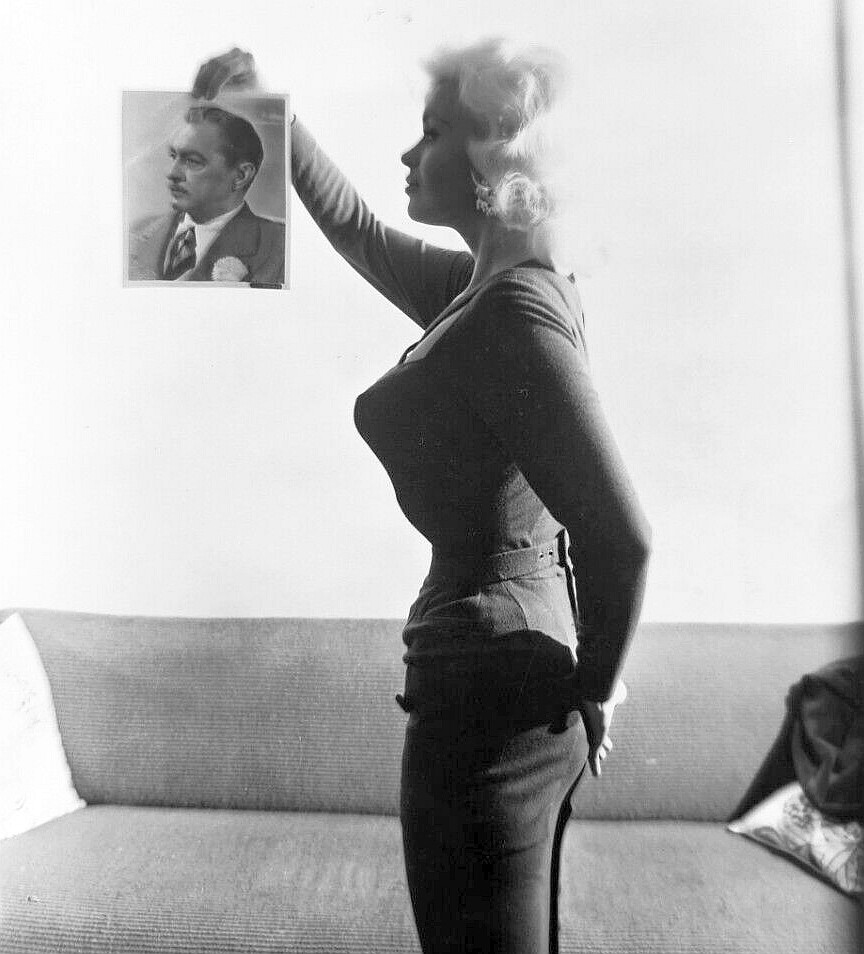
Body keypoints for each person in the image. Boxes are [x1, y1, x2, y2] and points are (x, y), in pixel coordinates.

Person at [194, 41, 650, 954]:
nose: (408, 154)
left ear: (494, 162)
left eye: (432, 133)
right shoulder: (483, 293)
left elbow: (621, 536)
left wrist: (599, 686)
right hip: (498, 687)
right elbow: (357, 229)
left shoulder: (512, 314)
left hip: (488, 710)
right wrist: (267, 114)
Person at [128, 104, 285, 284]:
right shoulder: (136, 232)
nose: (173, 173)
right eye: (173, 156)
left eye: (193, 161)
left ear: (240, 176)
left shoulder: (280, 248)